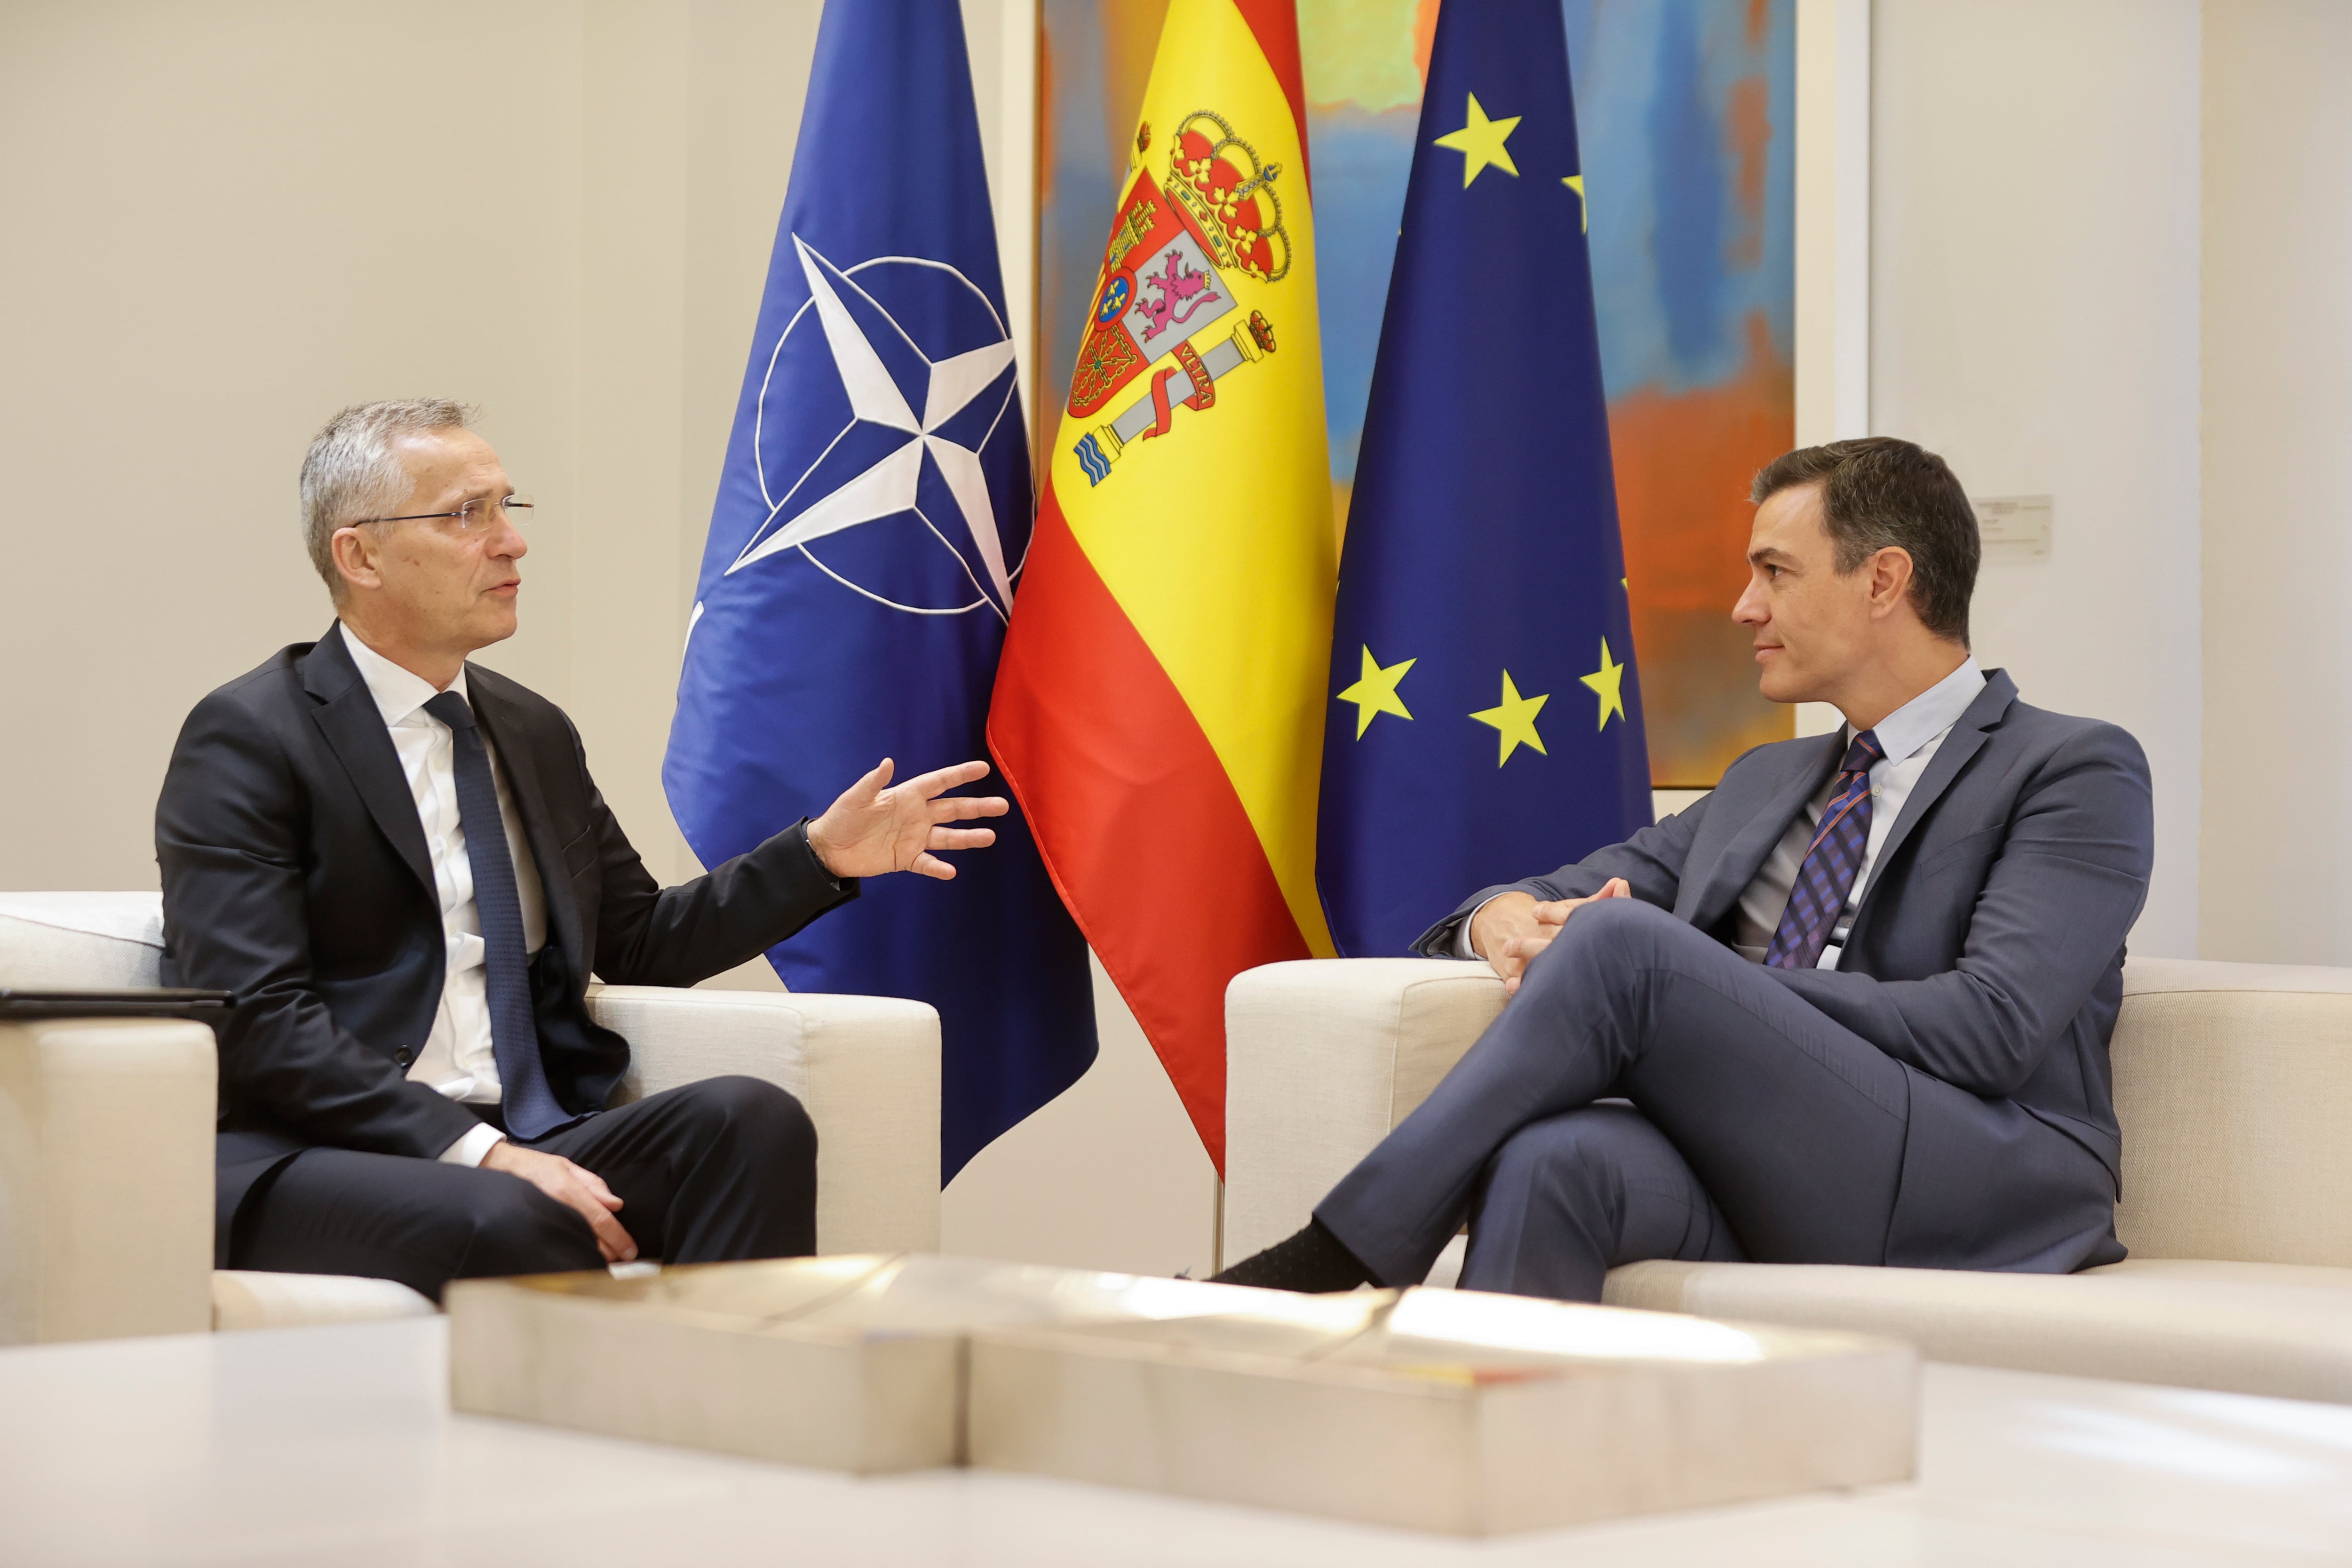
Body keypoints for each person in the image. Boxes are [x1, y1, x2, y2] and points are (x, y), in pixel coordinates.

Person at [1216, 437, 2152, 1301]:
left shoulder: (2072, 768)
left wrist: (1725, 993)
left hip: (1964, 1175)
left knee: (1627, 946)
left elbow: (1991, 1028)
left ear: (1884, 580)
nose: (1745, 607)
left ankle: (1345, 1249)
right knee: (1555, 1157)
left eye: (1775, 573)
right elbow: (1573, 888)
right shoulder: (1767, 779)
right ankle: (1492, 1457)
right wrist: (1499, 915)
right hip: (1777, 1164)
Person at [158, 398, 1008, 1301]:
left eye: (505, 507)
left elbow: (639, 941)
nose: (510, 543)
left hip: (533, 1120)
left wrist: (819, 858)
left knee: (749, 1121)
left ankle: (732, 1415)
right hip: (330, 1147)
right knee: (516, 1216)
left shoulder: (528, 730)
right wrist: (484, 1154)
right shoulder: (251, 735)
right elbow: (260, 1017)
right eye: (464, 514)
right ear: (359, 555)